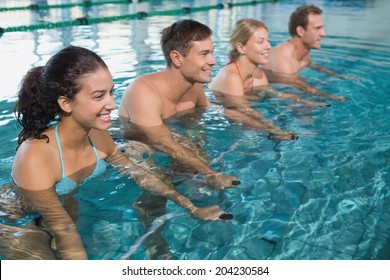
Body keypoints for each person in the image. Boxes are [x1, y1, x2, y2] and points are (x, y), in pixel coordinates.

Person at [3, 46, 232, 260]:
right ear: (65, 103)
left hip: (61, 209)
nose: (112, 104)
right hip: (16, 222)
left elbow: (142, 175)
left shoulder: (97, 135)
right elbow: (62, 228)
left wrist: (192, 207)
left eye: (111, 92)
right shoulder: (36, 157)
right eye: (98, 96)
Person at [119, 19, 241, 189]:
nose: (213, 61)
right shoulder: (143, 91)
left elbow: (216, 110)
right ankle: (151, 210)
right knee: (157, 184)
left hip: (172, 136)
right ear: (177, 58)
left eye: (211, 52)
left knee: (203, 158)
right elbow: (163, 141)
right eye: (204, 53)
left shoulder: (195, 87)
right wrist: (211, 174)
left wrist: (265, 127)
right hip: (138, 143)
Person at [210, 18, 328, 140]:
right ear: (241, 48)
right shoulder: (231, 76)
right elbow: (244, 111)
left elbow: (274, 94)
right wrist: (275, 130)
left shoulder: (259, 74)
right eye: (261, 42)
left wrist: (306, 102)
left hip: (245, 118)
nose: (268, 46)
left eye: (268, 41)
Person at [263, 5, 355, 101]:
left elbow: (312, 66)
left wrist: (338, 76)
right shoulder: (284, 62)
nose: (323, 34)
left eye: (322, 28)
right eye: (317, 28)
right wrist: (332, 98)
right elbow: (299, 89)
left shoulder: (304, 54)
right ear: (301, 31)